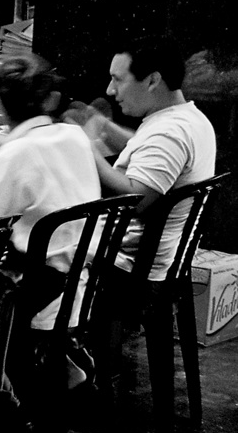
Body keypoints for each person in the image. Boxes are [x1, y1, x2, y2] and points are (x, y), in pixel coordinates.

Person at [69, 36, 217, 280]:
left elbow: (135, 199)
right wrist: (104, 125)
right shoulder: (187, 118)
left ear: (152, 80)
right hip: (147, 260)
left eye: (118, 79)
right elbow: (147, 150)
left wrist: (84, 147)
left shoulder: (170, 133)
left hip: (125, 271)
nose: (110, 90)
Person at [0, 54, 101, 328]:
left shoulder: (16, 152)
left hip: (36, 291)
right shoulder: (75, 136)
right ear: (51, 99)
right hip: (81, 282)